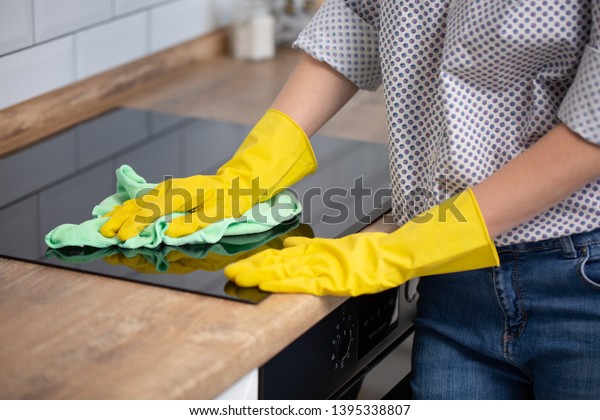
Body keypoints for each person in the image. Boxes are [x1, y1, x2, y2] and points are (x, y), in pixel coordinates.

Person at [101, 1, 600, 399]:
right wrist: (251, 170)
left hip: (578, 283)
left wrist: (403, 250)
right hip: (452, 283)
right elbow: (356, 17)